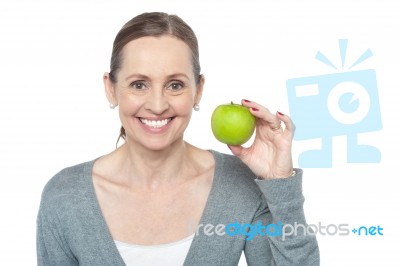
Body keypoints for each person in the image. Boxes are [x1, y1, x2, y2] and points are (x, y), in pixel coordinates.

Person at [36, 12, 319, 265]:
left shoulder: (239, 184)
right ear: (111, 89)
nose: (157, 105)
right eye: (138, 84)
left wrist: (281, 185)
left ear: (198, 90)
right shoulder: (65, 197)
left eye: (175, 85)